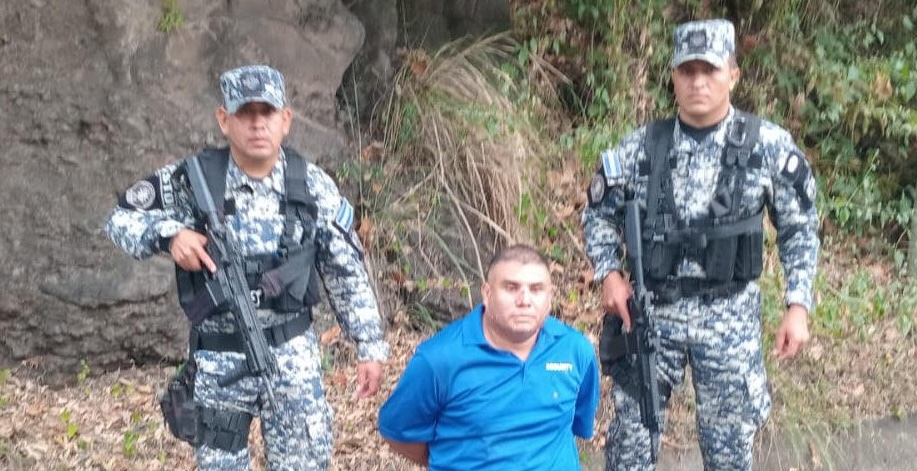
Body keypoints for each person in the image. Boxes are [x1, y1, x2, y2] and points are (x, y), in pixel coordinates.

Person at [104, 64, 389, 471]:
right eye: (245, 113)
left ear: (285, 120)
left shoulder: (311, 185)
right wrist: (169, 235)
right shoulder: (193, 180)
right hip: (219, 357)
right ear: (224, 120)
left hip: (292, 357)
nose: (258, 124)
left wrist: (369, 346)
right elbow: (120, 219)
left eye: (267, 112)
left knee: (304, 463)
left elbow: (345, 270)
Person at [582, 19, 819, 471]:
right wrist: (609, 275)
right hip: (652, 313)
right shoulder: (639, 147)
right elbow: (598, 214)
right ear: (673, 76)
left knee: (729, 451)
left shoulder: (768, 146)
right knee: (630, 446)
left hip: (730, 316)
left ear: (733, 75)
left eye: (709, 70)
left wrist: (798, 305)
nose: (697, 82)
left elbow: (800, 228)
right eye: (687, 71)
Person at [378, 244, 601, 471]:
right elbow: (398, 433)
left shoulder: (575, 349)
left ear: (550, 297)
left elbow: (576, 424)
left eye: (536, 289)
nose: (524, 300)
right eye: (511, 287)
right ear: (487, 293)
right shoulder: (439, 360)